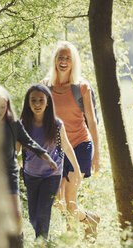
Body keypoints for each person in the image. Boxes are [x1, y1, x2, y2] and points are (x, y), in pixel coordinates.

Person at [42, 41, 100, 233]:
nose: (63, 61)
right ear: (55, 60)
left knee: (70, 199)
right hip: (56, 151)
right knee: (58, 203)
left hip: (80, 146)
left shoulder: (81, 87)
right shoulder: (45, 87)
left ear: (73, 61)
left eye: (68, 57)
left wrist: (97, 153)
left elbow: (92, 122)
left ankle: (70, 240)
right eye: (60, 57)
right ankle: (90, 219)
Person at [0, 85, 58, 246]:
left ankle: (20, 240)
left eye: (3, 106)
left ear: (7, 106)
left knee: (16, 214)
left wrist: (47, 157)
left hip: (10, 173)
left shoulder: (14, 124)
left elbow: (29, 142)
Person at [16, 84, 82, 239]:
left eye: (41, 100)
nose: (37, 104)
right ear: (28, 103)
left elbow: (66, 146)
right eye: (33, 100)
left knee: (43, 211)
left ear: (47, 102)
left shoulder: (56, 124)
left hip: (52, 175)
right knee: (33, 216)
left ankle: (42, 242)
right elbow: (16, 148)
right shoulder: (23, 123)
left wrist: (77, 169)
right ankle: (48, 239)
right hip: (31, 175)